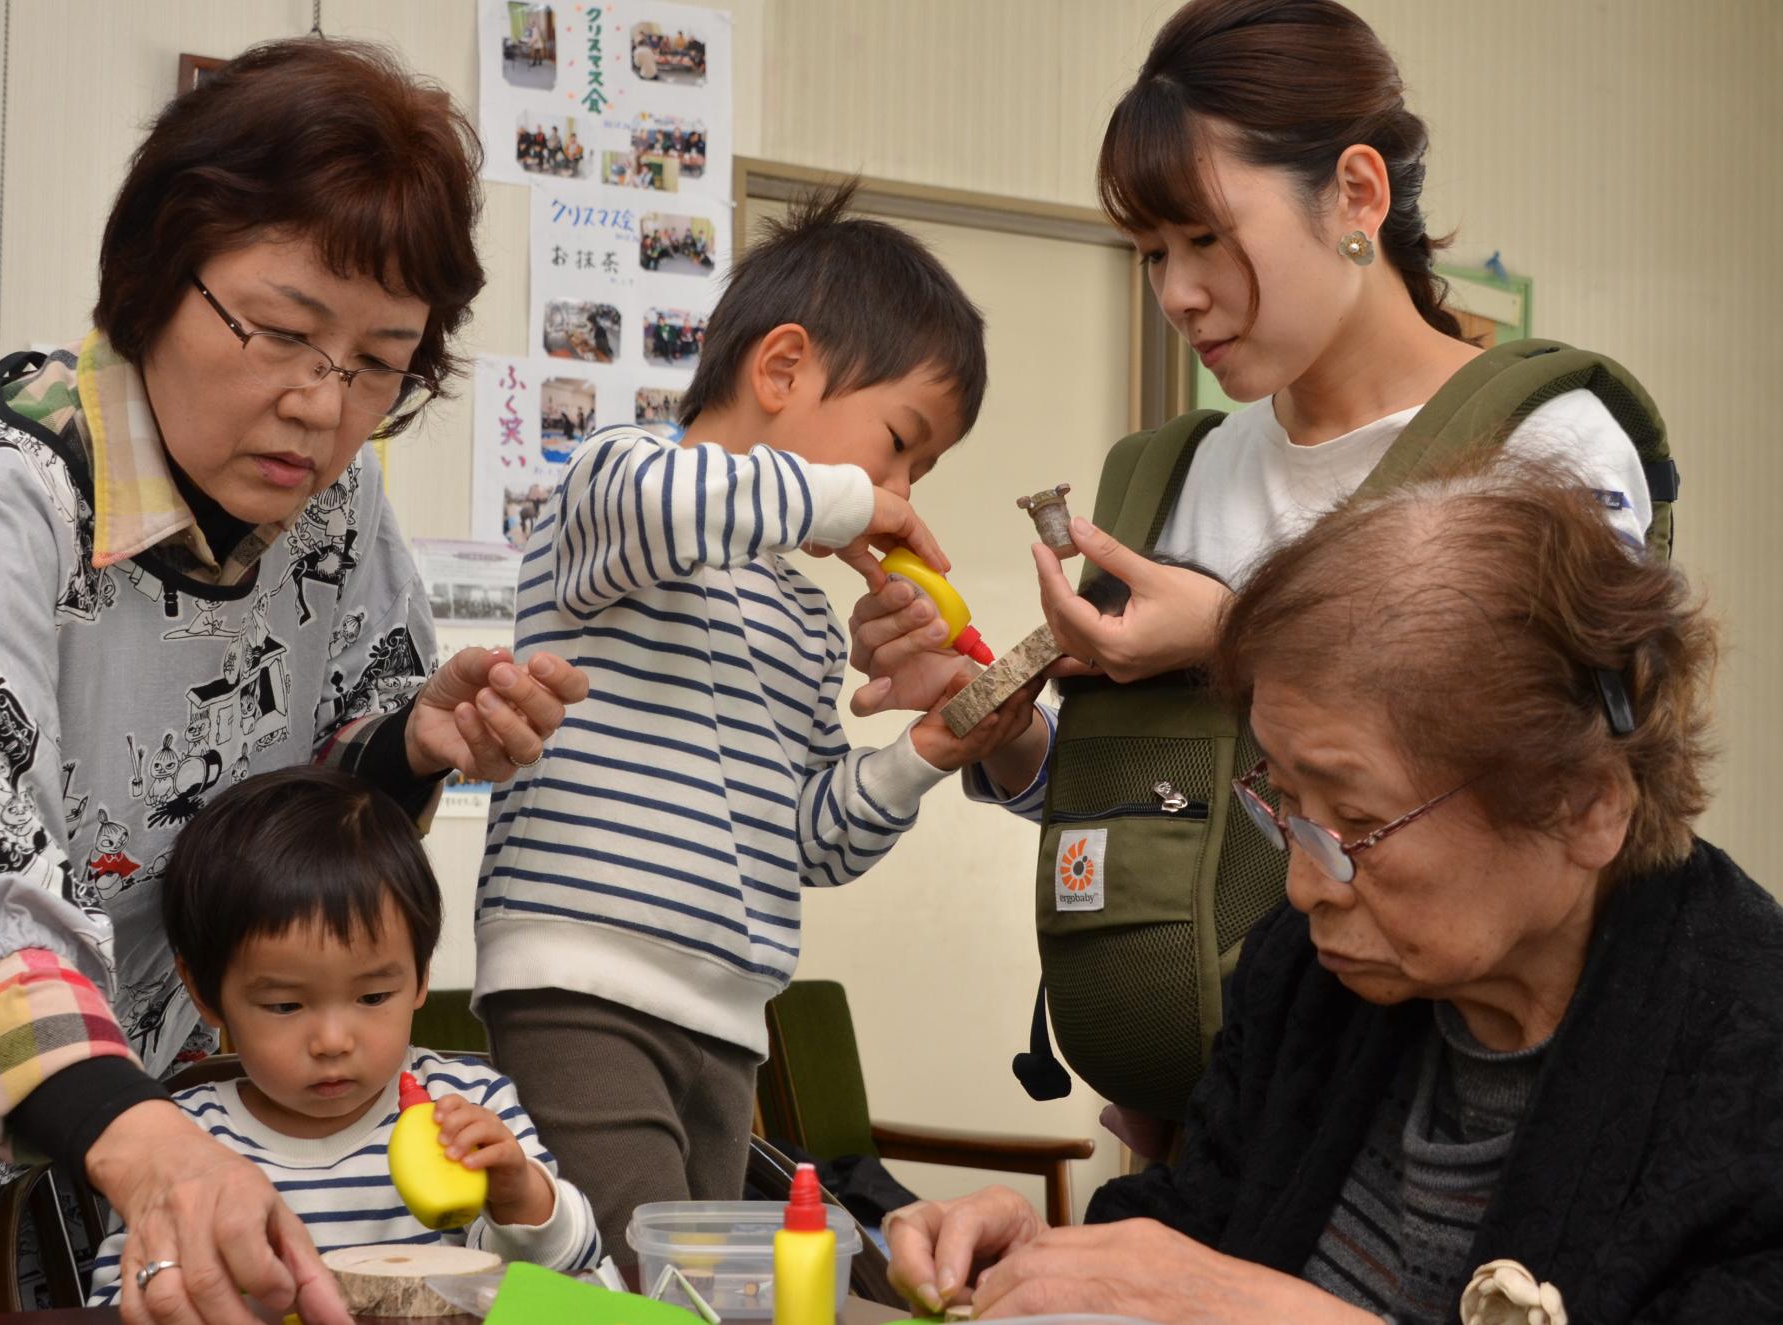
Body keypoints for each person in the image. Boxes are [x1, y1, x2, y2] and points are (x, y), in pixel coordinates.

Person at [0, 37, 588, 1323]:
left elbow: (292, 825)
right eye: (282, 332)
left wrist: (407, 747)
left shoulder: (335, 505)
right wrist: (147, 1138)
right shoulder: (1, 494)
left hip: (107, 1123)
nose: (321, 406)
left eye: (380, 362)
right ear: (160, 275)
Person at [843, 0, 1662, 1155]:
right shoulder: (1177, 472)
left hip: (1457, 1121)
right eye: (1150, 255)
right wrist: (1002, 731)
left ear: (1356, 197)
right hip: (1215, 1128)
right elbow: (1147, 800)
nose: (1175, 293)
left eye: (1206, 239)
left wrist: (1231, 634)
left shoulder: (1541, 442)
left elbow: (1561, 786)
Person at [885, 458, 1783, 1322]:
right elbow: (1209, 1223)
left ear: (1584, 804)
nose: (1305, 882)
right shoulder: (1308, 977)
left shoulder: (1747, 1062)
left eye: (1354, 820)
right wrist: (1048, 1262)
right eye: (1281, 798)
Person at [473, 181, 1040, 1265]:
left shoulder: (798, 614)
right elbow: (672, 505)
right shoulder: (619, 480)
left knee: (698, 1289)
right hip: (582, 973)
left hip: (729, 1013)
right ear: (780, 370)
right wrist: (843, 499)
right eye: (899, 445)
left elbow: (813, 839)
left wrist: (929, 751)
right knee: (626, 1283)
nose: (903, 491)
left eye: (919, 471)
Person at [86, 768, 600, 1304]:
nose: (333, 1041)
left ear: (421, 975)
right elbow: (119, 1302)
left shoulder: (469, 1105)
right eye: (285, 1005)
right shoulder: (183, 1142)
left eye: (373, 997)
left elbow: (570, 1278)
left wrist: (520, 1200)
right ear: (206, 994)